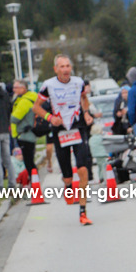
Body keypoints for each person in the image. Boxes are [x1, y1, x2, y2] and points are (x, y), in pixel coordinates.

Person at [32, 54, 93, 225]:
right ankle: (68, 186)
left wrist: (86, 113)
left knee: (82, 168)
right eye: (62, 67)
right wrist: (50, 118)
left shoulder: (78, 82)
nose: (66, 70)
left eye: (68, 66)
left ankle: (83, 211)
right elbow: (35, 107)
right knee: (68, 175)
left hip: (78, 127)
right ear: (56, 69)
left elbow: (83, 98)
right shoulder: (48, 85)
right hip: (59, 131)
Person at [10, 79, 39, 178]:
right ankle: (34, 181)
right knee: (30, 159)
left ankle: (34, 182)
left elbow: (15, 118)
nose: (14, 90)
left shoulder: (24, 101)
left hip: (25, 134)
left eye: (16, 87)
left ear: (23, 88)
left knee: (28, 161)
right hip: (29, 133)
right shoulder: (31, 97)